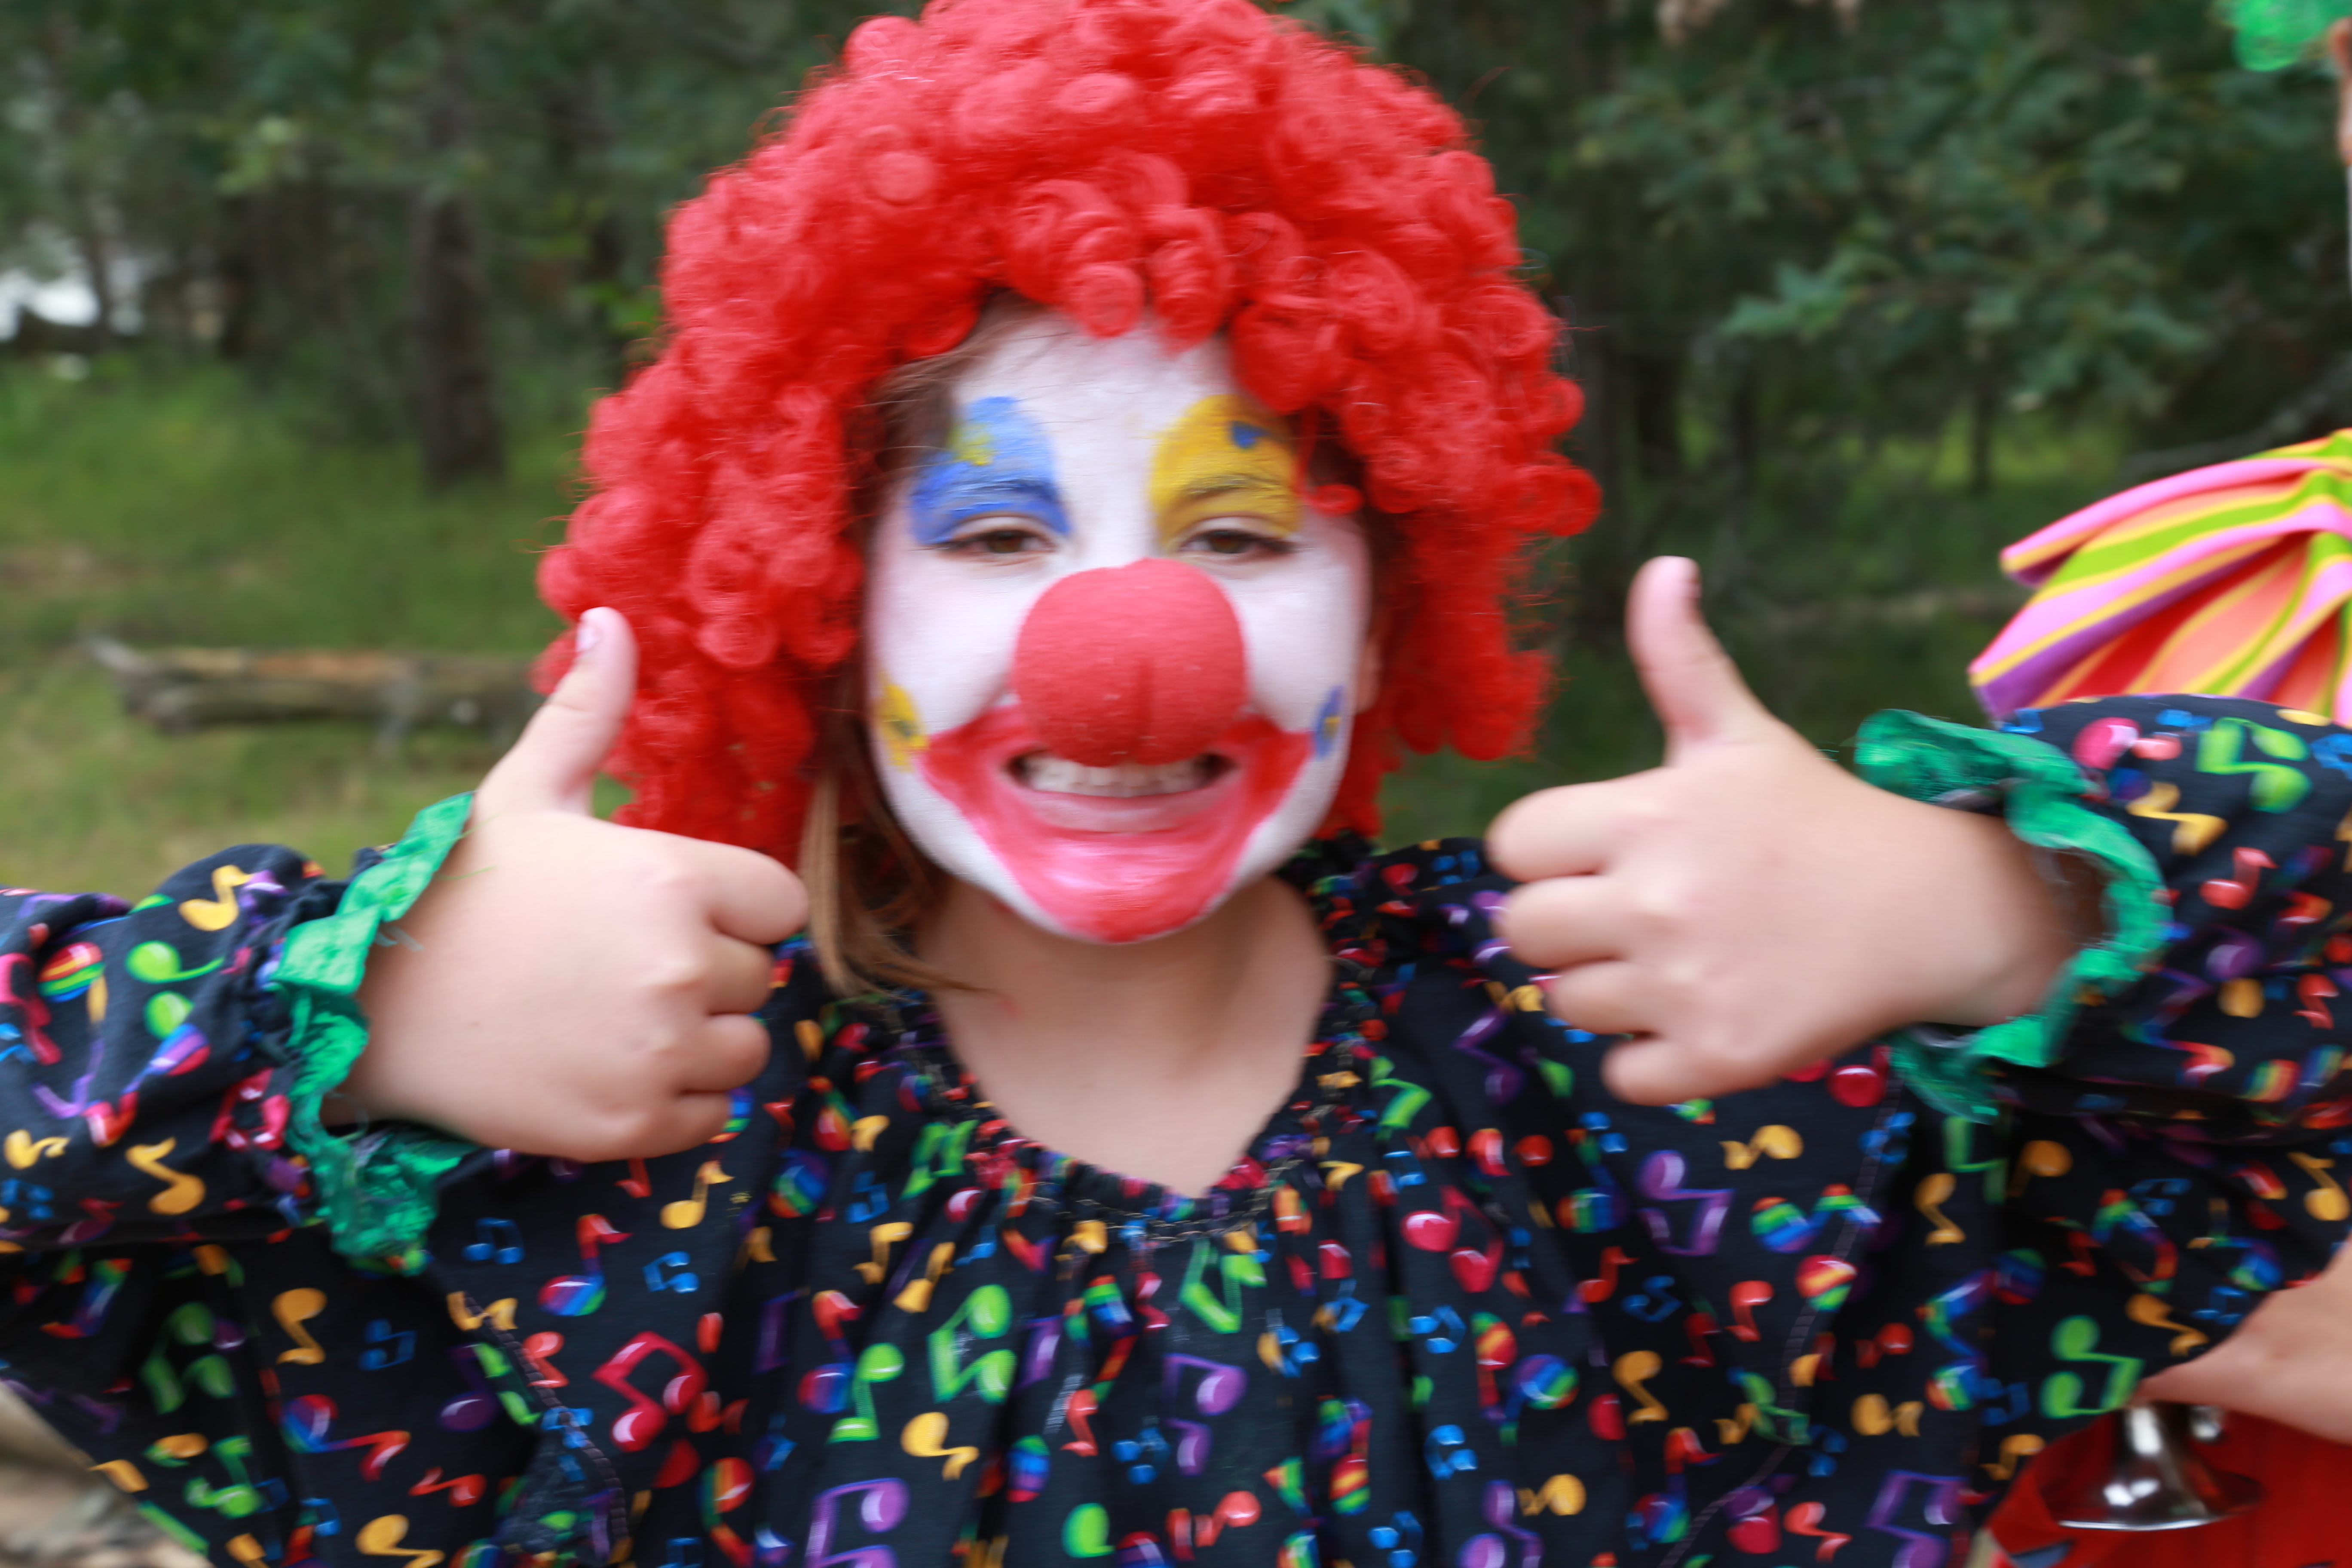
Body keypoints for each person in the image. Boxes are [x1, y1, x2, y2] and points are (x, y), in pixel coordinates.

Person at [0, 3, 2347, 1566]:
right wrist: (353, 1012)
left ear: (1389, 590)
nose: (1135, 642)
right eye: (994, 537)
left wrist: (1998, 911)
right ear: (819, 594)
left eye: (1238, 536)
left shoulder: (1648, 1105)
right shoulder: (614, 1164)